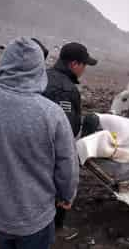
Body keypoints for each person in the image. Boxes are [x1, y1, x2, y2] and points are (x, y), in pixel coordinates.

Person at [0, 37, 79, 249]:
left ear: (5, 64)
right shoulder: (52, 114)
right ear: (39, 69)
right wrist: (66, 195)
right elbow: (67, 164)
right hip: (34, 217)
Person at [43, 42, 97, 236]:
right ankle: (55, 228)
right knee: (57, 185)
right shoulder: (65, 89)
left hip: (34, 146)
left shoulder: (44, 76)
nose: (84, 70)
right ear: (75, 64)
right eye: (84, 65)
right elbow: (64, 130)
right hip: (51, 150)